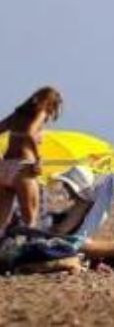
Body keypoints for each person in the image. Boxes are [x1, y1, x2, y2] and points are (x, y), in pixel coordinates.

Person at [0, 86, 63, 232]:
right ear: (50, 103)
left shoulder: (16, 115)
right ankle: (29, 250)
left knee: (2, 219)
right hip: (23, 167)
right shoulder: (41, 112)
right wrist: (38, 158)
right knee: (31, 218)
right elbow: (30, 133)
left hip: (5, 167)